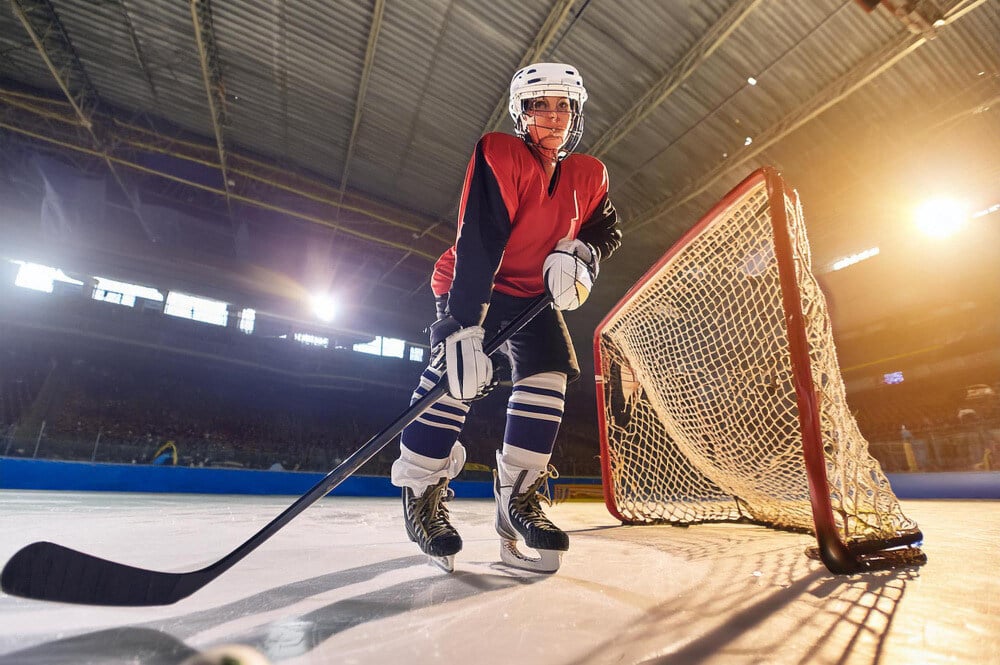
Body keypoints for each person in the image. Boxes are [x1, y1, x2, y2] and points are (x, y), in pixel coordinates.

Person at [389, 62, 622, 573]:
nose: (554, 116)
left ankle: (518, 501)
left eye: (564, 105)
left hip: (531, 294)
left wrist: (584, 252)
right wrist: (464, 324)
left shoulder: (591, 174)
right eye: (541, 105)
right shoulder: (500, 152)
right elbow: (481, 243)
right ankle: (421, 490)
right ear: (521, 112)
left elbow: (608, 229)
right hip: (477, 282)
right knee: (458, 373)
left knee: (550, 372)